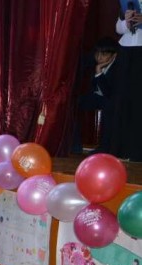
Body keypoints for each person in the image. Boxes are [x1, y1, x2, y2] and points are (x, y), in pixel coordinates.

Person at [109, 4, 142, 162]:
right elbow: (118, 28)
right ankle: (121, 149)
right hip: (126, 51)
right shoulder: (129, 3)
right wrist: (127, 22)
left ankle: (137, 151)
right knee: (123, 98)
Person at [79, 37, 119, 155]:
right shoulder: (93, 62)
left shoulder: (118, 69)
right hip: (97, 97)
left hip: (111, 100)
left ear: (114, 55)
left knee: (108, 105)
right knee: (75, 103)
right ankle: (75, 144)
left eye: (104, 54)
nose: (99, 57)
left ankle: (104, 147)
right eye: (97, 53)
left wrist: (99, 71)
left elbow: (108, 93)